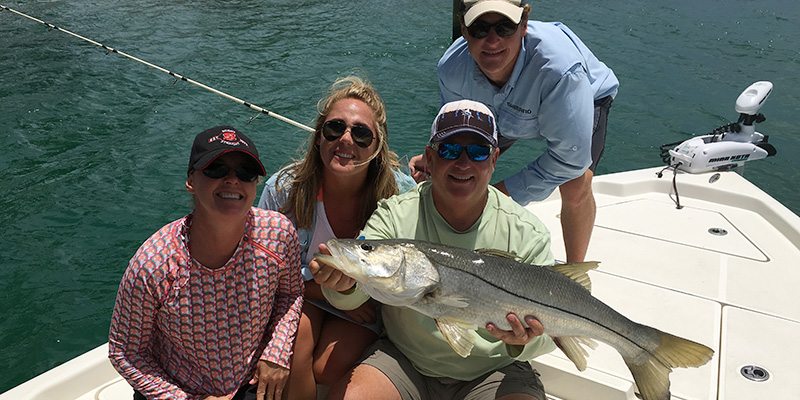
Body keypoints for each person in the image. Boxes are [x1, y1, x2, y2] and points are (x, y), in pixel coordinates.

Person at [313, 100, 555, 400]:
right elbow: (355, 294)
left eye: (477, 152)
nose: (463, 163)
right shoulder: (394, 215)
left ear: (493, 160)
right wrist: (343, 287)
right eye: (450, 150)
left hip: (495, 371)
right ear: (430, 156)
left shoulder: (527, 234)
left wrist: (523, 340)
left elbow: (551, 339)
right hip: (404, 361)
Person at [409, 0, 619, 263]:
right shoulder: (451, 68)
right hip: (507, 113)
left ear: (524, 26)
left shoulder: (561, 71)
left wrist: (497, 198)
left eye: (505, 27)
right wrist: (438, 159)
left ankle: (574, 276)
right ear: (464, 31)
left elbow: (570, 160)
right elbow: (456, 131)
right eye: (480, 29)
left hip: (581, 97)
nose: (493, 41)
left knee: (576, 182)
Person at [109, 126, 304, 400]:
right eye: (216, 169)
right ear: (191, 180)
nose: (233, 180)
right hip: (177, 390)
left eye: (245, 172)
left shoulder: (279, 234)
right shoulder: (153, 264)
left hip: (249, 380)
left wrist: (277, 352)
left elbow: (290, 294)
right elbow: (125, 351)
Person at [258, 76, 416, 399]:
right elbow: (262, 276)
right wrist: (323, 292)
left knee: (327, 369)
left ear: (377, 147)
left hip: (367, 305)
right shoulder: (283, 190)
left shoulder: (401, 195)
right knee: (297, 337)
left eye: (361, 134)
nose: (346, 139)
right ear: (319, 138)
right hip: (303, 296)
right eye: (335, 128)